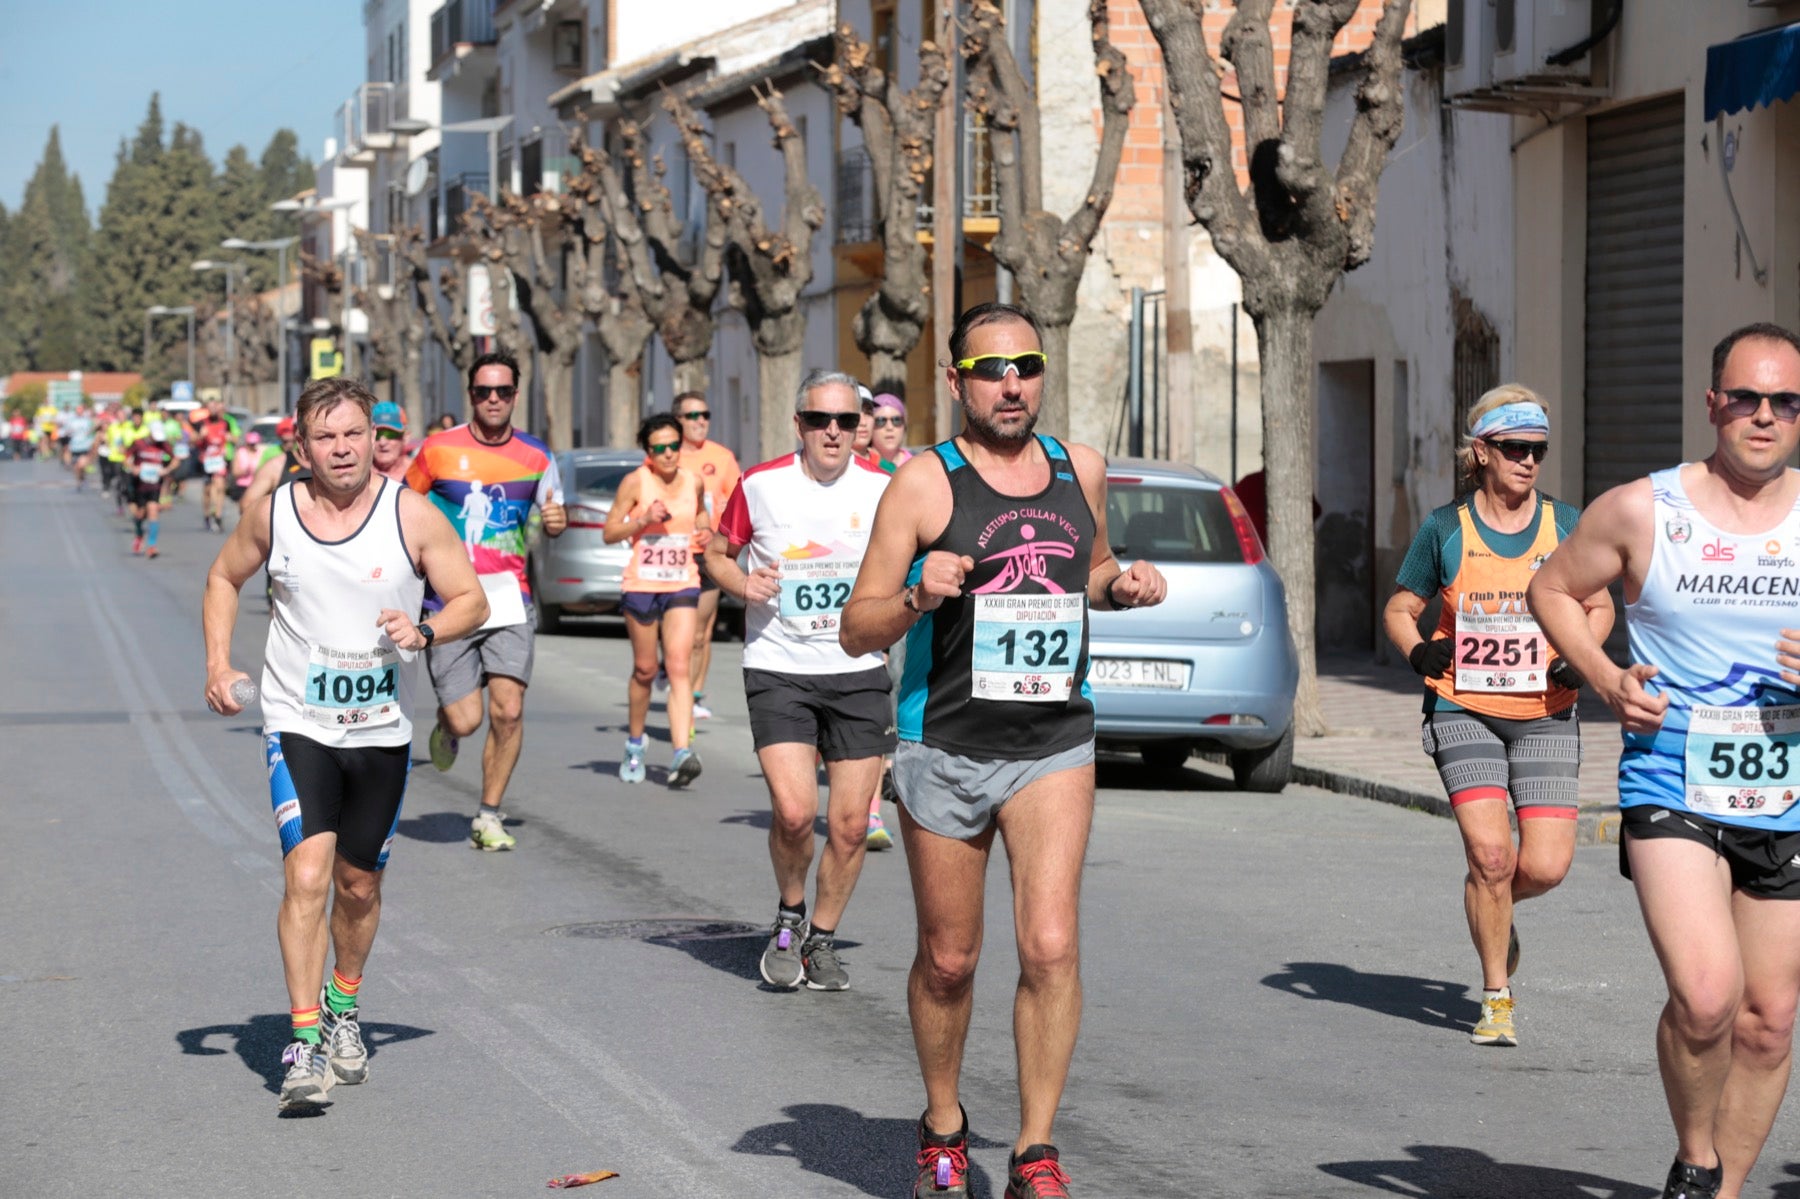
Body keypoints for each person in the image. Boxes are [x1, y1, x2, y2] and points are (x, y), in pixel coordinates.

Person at [841, 302, 1167, 1199]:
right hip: (944, 741)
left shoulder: (1079, 467)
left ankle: (1034, 1152)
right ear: (957, 382)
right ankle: (944, 1125)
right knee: (950, 959)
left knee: (1051, 946)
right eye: (991, 369)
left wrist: (1124, 584)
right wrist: (917, 593)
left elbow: (1090, 567)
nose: (1011, 383)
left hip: (1053, 740)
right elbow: (855, 627)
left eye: (1026, 365)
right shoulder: (923, 484)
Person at [1529, 323, 1800, 1199]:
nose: (1765, 415)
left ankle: (1724, 1192)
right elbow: (1551, 587)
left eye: (1786, 401)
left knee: (1769, 1019)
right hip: (1672, 777)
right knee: (1708, 995)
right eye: (1747, 397)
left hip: (1789, 792)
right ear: (1713, 403)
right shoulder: (1644, 509)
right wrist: (1606, 677)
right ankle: (1696, 1155)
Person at [201, 376, 488, 1113]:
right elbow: (224, 577)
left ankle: (342, 1004)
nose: (341, 448)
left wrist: (425, 630)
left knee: (359, 885)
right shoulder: (276, 515)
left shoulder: (411, 514)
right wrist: (219, 664)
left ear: (373, 439)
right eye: (325, 436)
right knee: (307, 875)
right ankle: (302, 1042)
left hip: (381, 732)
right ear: (302, 446)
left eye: (354, 433)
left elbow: (472, 599)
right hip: (298, 723)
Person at [1382, 385, 1613, 1048]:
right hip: (1464, 707)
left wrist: (1580, 656)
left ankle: (1496, 904)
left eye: (1537, 449)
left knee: (1545, 866)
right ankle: (1495, 997)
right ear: (1481, 452)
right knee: (1491, 854)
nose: (1528, 460)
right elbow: (1400, 610)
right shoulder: (1445, 528)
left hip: (1546, 709)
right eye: (1514, 448)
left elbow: (1598, 606)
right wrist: (1420, 652)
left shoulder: (1565, 525)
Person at [705, 369, 893, 991]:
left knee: (850, 825)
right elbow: (714, 555)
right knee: (793, 812)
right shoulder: (760, 485)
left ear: (859, 426)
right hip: (779, 666)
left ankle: (823, 939)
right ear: (799, 425)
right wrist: (742, 583)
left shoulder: (884, 488)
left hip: (859, 669)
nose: (833, 431)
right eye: (819, 420)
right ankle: (790, 914)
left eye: (846, 420)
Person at [406, 353, 565, 850]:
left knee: (509, 711)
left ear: (515, 395)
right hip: (448, 599)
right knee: (466, 719)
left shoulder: (537, 456)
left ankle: (489, 815)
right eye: (483, 391)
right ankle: (447, 726)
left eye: (502, 391)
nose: (493, 399)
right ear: (470, 394)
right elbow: (402, 509)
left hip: (508, 598)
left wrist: (556, 523)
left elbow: (553, 514)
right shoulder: (438, 450)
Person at [604, 413, 708, 787]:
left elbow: (701, 514)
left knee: (679, 665)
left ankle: (681, 752)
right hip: (642, 585)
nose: (667, 454)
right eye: (659, 448)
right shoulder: (636, 482)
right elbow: (609, 531)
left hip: (682, 581)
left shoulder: (694, 481)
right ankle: (635, 743)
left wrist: (705, 532)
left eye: (673, 446)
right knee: (646, 670)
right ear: (648, 452)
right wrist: (643, 519)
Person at [674, 390, 741, 723]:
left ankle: (692, 695)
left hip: (707, 553)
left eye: (705, 415)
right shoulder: (666, 455)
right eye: (692, 416)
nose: (700, 421)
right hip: (673, 553)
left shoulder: (722, 457)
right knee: (675, 629)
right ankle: (674, 674)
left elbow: (738, 502)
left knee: (700, 631)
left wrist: (724, 530)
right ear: (678, 421)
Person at [125, 422, 176, 559]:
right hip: (139, 484)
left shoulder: (163, 445)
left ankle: (152, 546)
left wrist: (166, 470)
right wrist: (133, 468)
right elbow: (126, 457)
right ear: (150, 433)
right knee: (140, 514)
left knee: (153, 511)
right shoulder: (138, 443)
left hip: (154, 485)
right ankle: (139, 535)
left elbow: (175, 460)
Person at [195, 399, 237, 532]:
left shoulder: (225, 423)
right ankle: (207, 515)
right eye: (211, 407)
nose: (214, 409)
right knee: (207, 490)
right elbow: (194, 441)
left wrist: (230, 438)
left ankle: (218, 516)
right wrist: (201, 436)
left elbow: (234, 438)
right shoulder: (202, 423)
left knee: (220, 486)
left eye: (215, 407)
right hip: (206, 460)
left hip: (219, 459)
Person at [870, 393, 912, 473]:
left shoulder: (916, 464)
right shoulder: (859, 464)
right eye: (880, 421)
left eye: (896, 420)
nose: (889, 427)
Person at [370, 401, 411, 482]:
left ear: (405, 437)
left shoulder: (420, 472)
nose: (382, 442)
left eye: (390, 434)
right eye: (376, 435)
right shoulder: (359, 476)